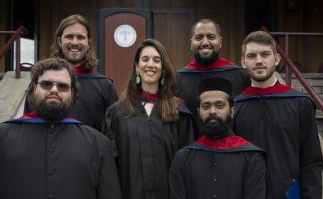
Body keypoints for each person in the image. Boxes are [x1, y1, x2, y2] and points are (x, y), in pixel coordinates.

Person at [0, 58, 121, 199]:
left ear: (73, 94)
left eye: (62, 86)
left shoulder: (99, 145)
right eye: (46, 84)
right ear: (34, 88)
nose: (54, 90)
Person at [234, 31, 323, 199]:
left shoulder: (300, 103)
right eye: (252, 56)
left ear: (276, 59)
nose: (259, 61)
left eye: (265, 54)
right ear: (243, 62)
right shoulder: (236, 107)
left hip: (289, 194)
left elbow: (311, 161)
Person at [103, 39, 194, 199]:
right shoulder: (117, 113)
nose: (150, 64)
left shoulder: (178, 112)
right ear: (137, 67)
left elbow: (187, 164)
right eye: (145, 59)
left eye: (157, 60)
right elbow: (110, 166)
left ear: (163, 69)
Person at [169, 77, 266, 199]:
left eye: (219, 105)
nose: (212, 111)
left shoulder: (251, 157)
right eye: (206, 106)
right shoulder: (183, 159)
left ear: (232, 111)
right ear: (199, 112)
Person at [25, 14, 117, 131]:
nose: (74, 42)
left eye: (80, 37)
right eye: (69, 36)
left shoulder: (105, 87)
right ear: (59, 41)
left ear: (88, 43)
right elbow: (28, 126)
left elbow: (111, 133)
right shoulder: (40, 84)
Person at [176, 18, 250, 138]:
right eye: (199, 37)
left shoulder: (240, 76)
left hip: (232, 150)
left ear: (220, 42)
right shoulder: (179, 79)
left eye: (211, 37)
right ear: (191, 43)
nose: (205, 42)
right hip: (192, 151)